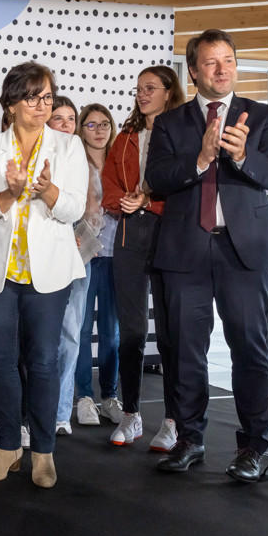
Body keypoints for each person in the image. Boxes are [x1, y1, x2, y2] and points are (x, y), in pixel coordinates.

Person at [146, 30, 268, 483]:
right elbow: (158, 179)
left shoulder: (263, 115)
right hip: (186, 248)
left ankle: (252, 446)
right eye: (211, 63)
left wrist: (244, 156)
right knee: (185, 349)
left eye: (228, 60)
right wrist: (202, 159)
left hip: (243, 250)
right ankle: (190, 438)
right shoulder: (171, 123)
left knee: (249, 347)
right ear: (194, 71)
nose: (222, 69)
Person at [0, 62, 87, 488]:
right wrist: (10, 193)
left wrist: (48, 192)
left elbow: (74, 209)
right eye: (34, 96)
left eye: (48, 96)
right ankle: (8, 447)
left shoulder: (68, 148)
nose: (43, 104)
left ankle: (44, 452)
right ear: (12, 102)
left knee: (43, 361)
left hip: (49, 276)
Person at [102, 66, 185, 451]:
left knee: (171, 336)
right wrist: (126, 200)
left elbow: (190, 191)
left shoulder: (186, 133)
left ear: (170, 92)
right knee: (131, 332)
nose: (141, 94)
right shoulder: (126, 137)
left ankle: (173, 422)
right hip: (129, 236)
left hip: (171, 237)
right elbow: (108, 188)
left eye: (150, 88)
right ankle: (132, 414)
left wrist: (149, 202)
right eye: (138, 89)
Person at [73, 103, 121, 426]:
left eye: (104, 124)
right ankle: (84, 397)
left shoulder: (121, 162)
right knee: (78, 329)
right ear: (81, 129)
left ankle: (109, 396)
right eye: (91, 125)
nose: (99, 130)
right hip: (84, 255)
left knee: (111, 332)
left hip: (117, 255)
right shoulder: (74, 162)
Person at [48, 96, 86, 436]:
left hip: (77, 260)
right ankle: (38, 412)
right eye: (57, 118)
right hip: (41, 261)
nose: (65, 124)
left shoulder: (79, 157)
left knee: (71, 337)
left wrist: (77, 233)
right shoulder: (35, 158)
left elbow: (83, 208)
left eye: (70, 118)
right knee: (41, 342)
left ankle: (61, 412)